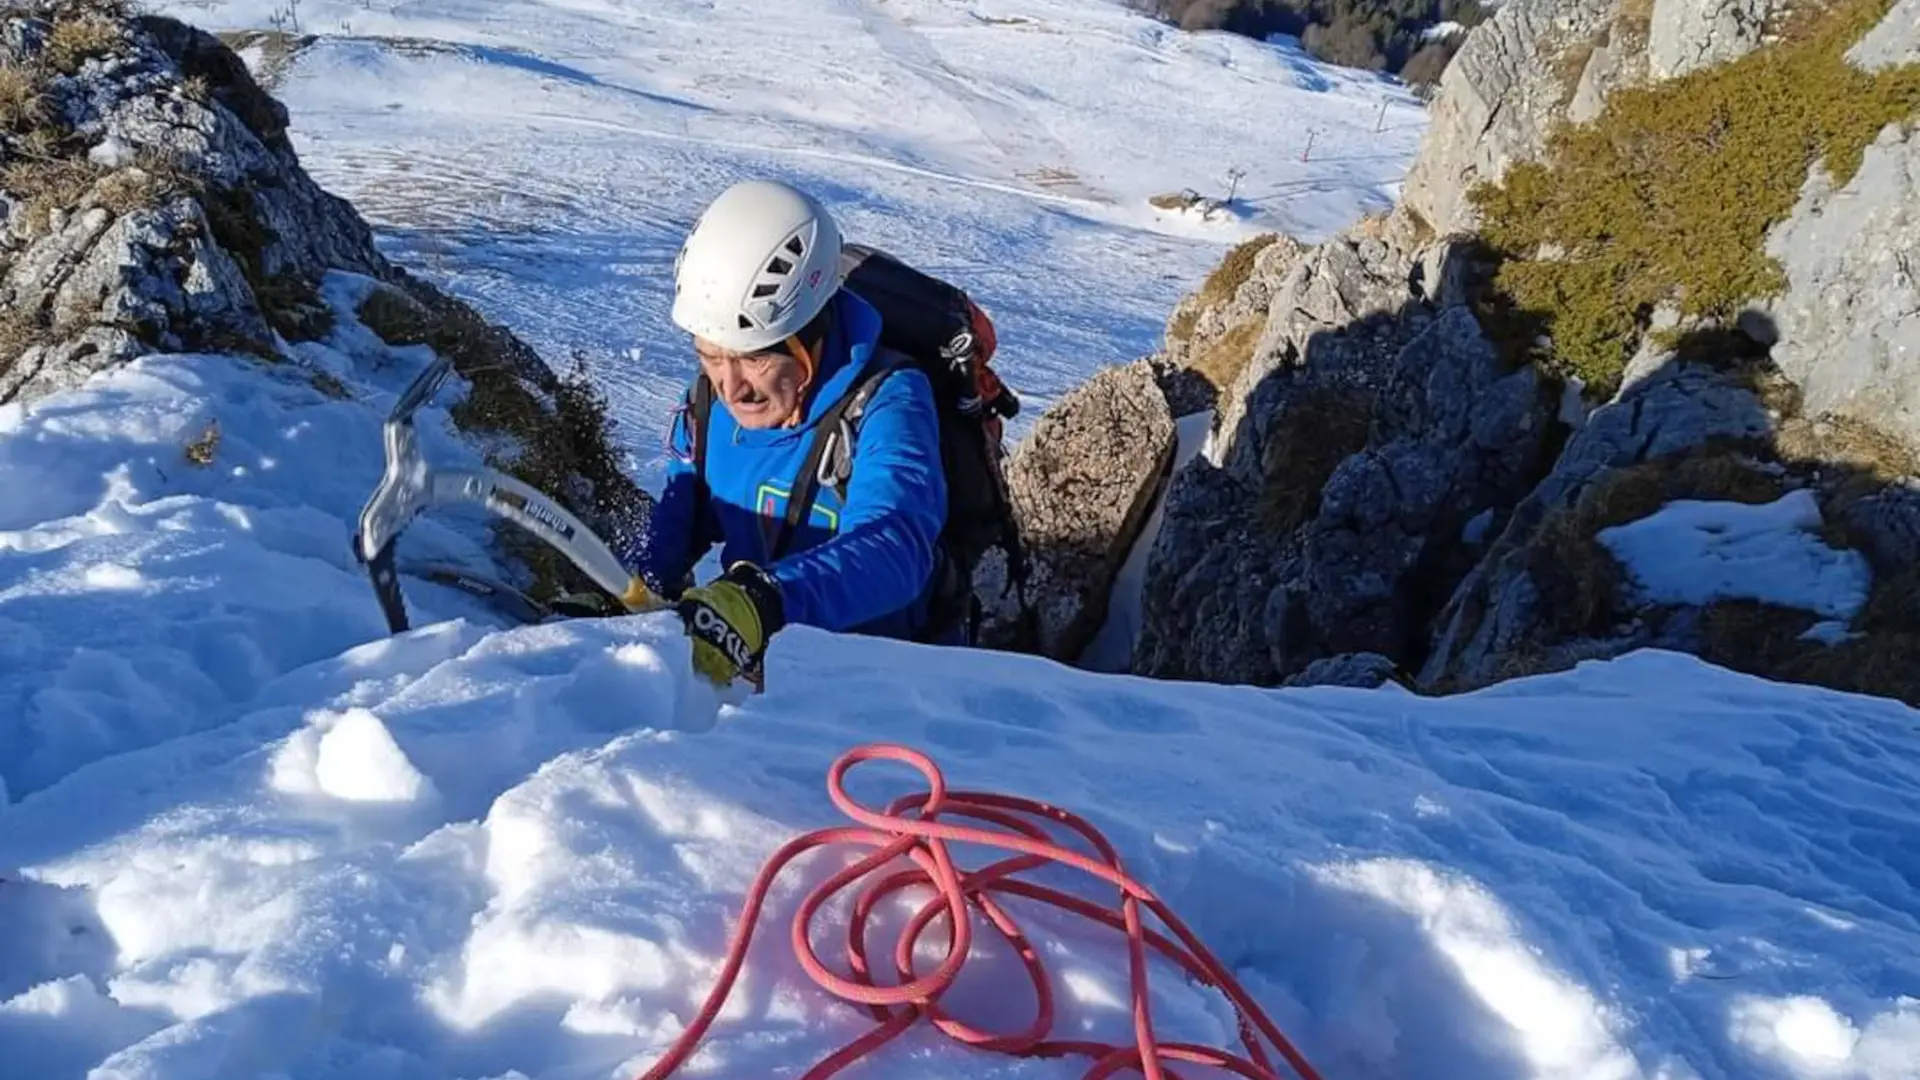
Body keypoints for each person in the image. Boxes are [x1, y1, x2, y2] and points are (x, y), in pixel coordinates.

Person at [621, 178, 951, 688]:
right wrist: (629, 586)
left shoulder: (887, 402)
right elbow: (681, 514)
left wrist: (767, 599)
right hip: (759, 674)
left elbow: (895, 548)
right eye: (709, 356)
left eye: (755, 358)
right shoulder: (707, 402)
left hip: (891, 686)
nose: (731, 387)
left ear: (811, 337)